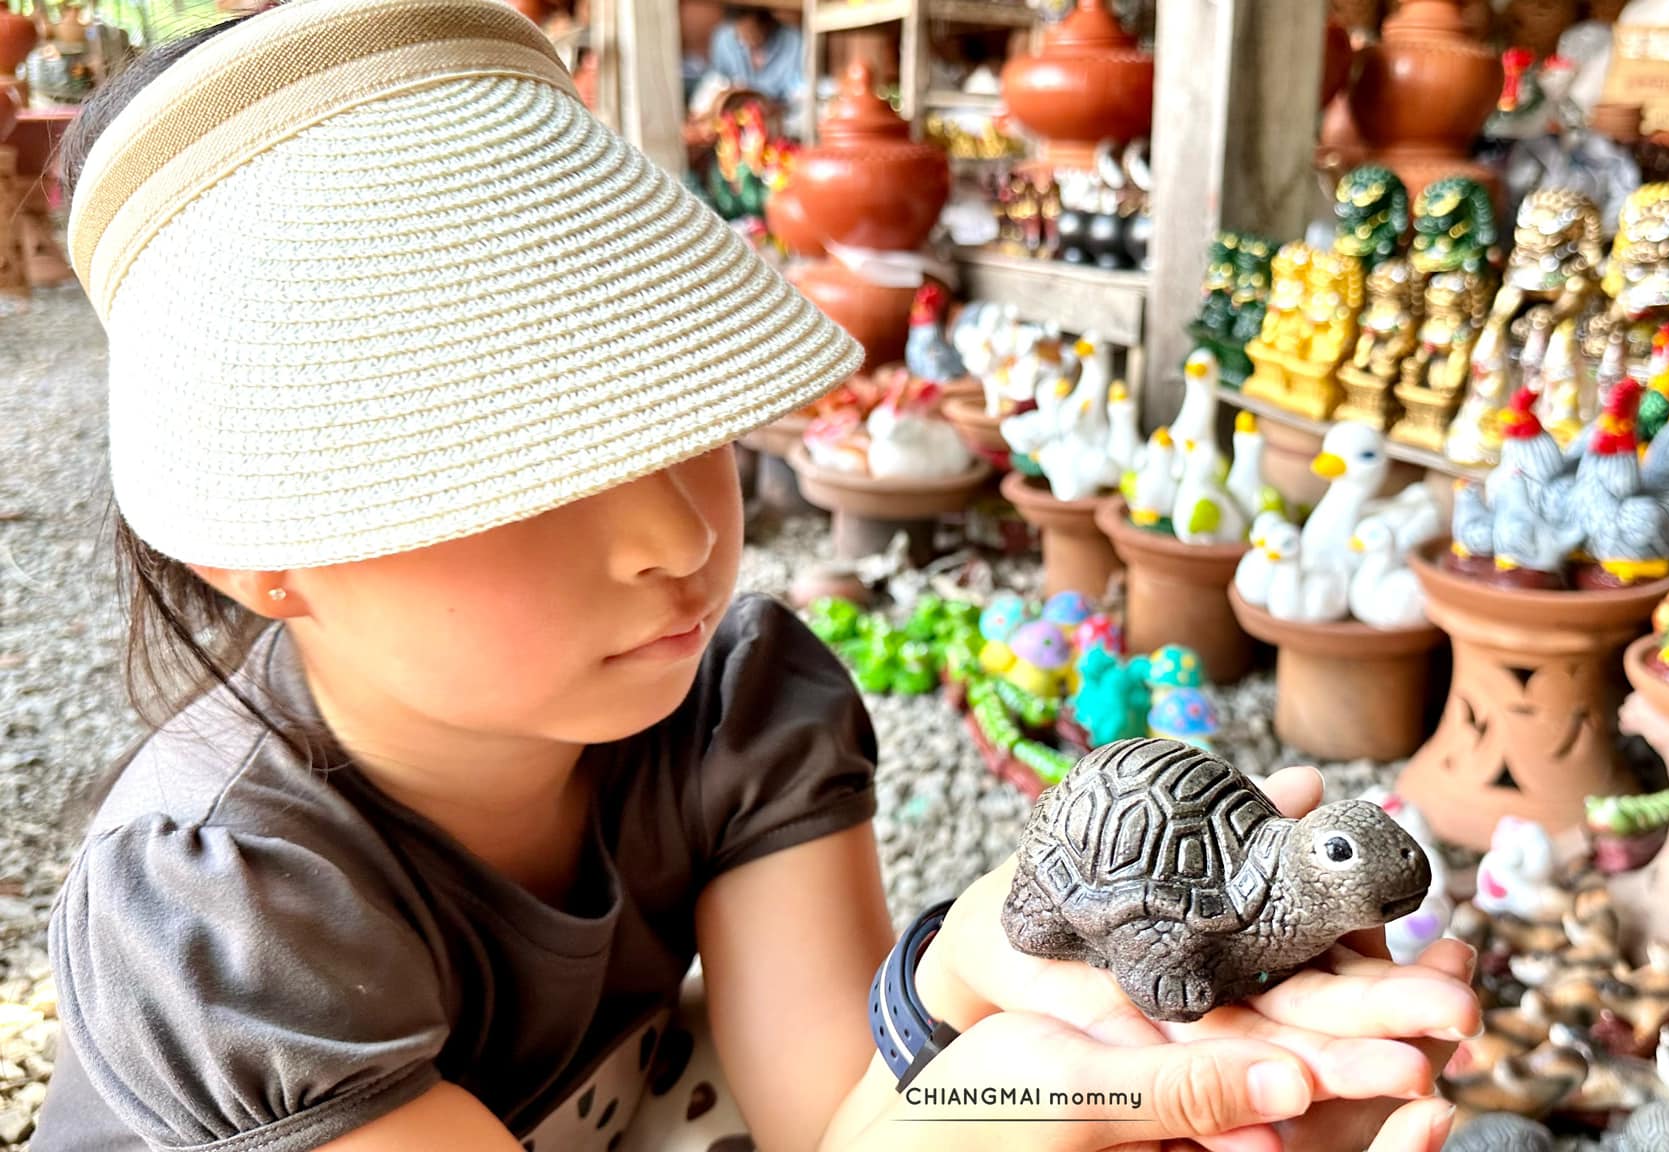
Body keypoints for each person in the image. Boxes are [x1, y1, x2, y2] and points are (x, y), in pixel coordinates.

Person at [31, 0, 1479, 1149]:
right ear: (263, 554)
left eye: (679, 411)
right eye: (524, 469)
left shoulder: (730, 702)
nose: (675, 538)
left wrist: (980, 977)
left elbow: (835, 1115)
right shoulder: (228, 918)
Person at [704, 4, 802, 105]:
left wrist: (778, 107)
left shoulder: (794, 42)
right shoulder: (724, 37)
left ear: (768, 23)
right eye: (740, 34)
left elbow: (800, 94)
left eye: (751, 32)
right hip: (734, 109)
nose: (744, 39)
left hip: (780, 111)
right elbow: (715, 81)